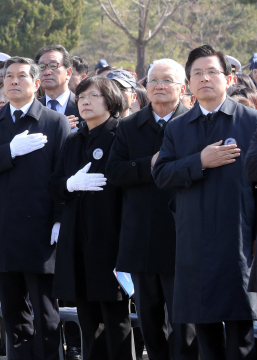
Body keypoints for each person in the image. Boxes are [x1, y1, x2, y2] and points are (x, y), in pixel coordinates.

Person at [154, 45, 257, 360]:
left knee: (243, 338)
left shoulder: (250, 121)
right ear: (189, 82)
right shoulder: (177, 127)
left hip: (239, 239)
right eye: (197, 73)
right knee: (205, 337)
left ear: (229, 78)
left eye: (212, 71)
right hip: (195, 241)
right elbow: (161, 175)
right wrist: (200, 160)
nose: (205, 78)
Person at [0, 56, 70, 360]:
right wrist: (8, 151)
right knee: (13, 312)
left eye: (22, 76)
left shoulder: (54, 122)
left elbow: (62, 174)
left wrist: (59, 219)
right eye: (8, 76)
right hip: (2, 228)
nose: (13, 81)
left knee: (45, 312)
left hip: (40, 230)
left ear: (36, 84)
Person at [106, 59, 198, 360]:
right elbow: (115, 172)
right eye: (153, 80)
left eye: (167, 80)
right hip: (142, 235)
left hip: (182, 234)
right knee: (149, 317)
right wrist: (149, 165)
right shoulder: (130, 126)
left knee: (184, 320)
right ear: (144, 87)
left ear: (183, 88)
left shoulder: (194, 123)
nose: (159, 86)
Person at [48, 75, 133, 360]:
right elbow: (54, 184)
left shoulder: (121, 134)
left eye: (93, 96)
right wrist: (70, 185)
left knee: (115, 318)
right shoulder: (74, 140)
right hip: (77, 239)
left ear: (111, 100)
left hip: (110, 237)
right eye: (81, 97)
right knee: (87, 318)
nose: (84, 102)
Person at [35, 45, 82, 133]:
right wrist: (60, 125)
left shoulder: (82, 106)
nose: (46, 72)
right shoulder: (32, 108)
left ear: (68, 73)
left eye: (53, 66)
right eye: (42, 67)